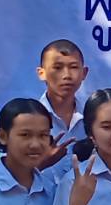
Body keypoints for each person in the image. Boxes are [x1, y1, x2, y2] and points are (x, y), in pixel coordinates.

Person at [35, 39, 89, 175]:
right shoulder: (27, 118)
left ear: (84, 73)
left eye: (73, 67)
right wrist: (40, 164)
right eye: (58, 68)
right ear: (41, 73)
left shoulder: (93, 117)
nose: (67, 75)